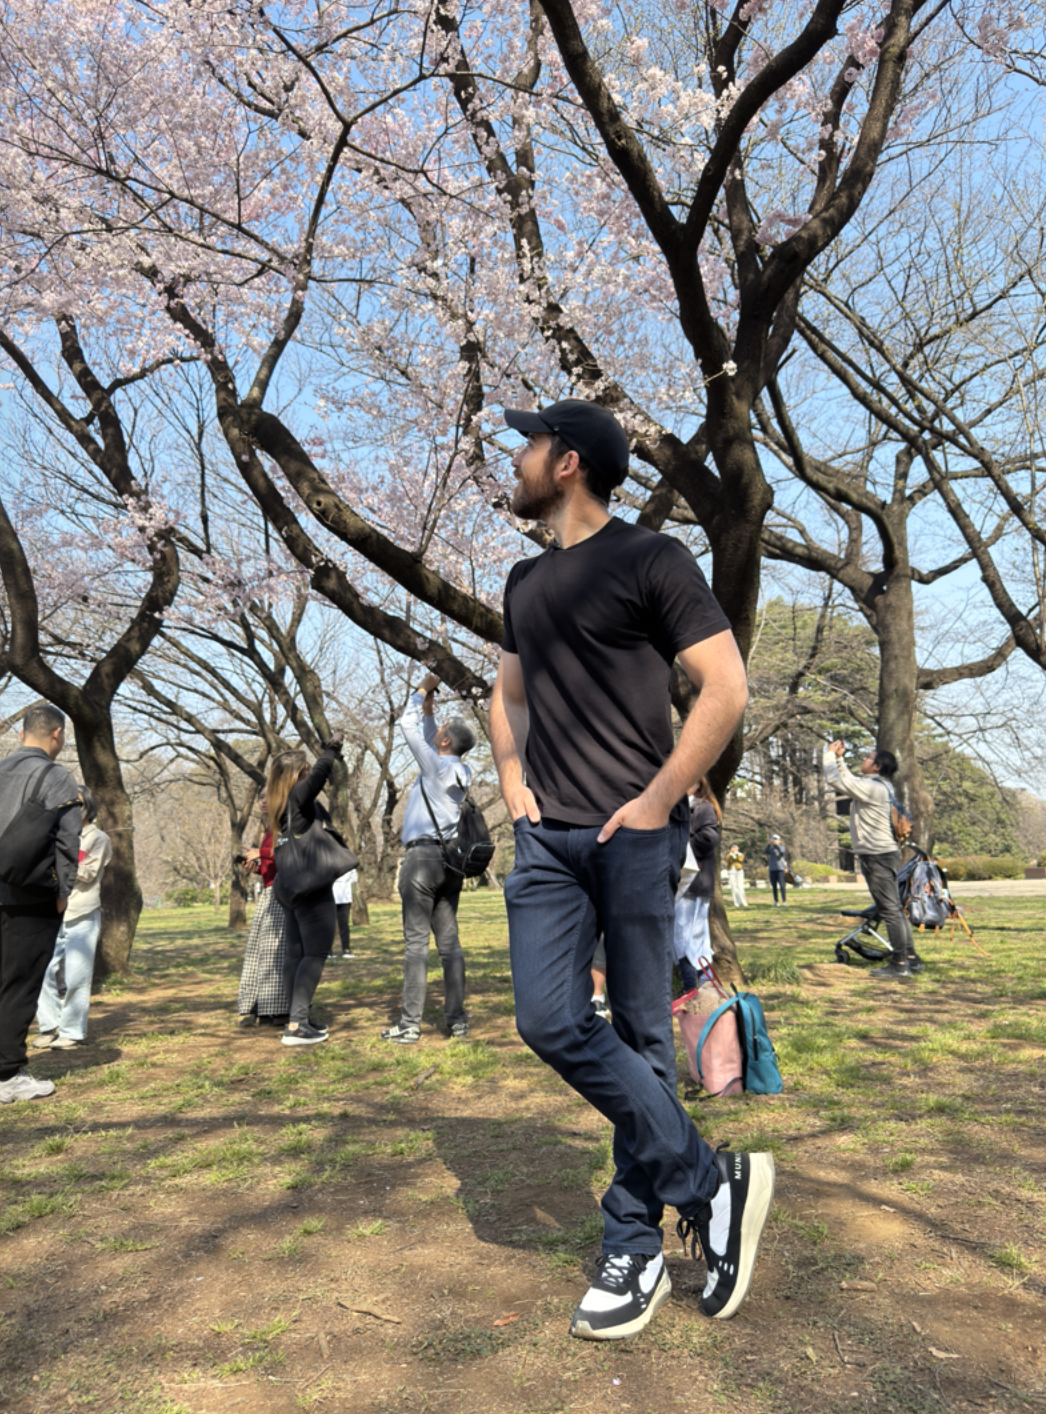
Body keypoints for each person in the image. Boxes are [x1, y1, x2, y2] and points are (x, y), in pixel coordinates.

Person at [491, 397, 774, 1341]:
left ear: (567, 463)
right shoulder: (524, 581)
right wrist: (508, 776)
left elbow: (725, 686)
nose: (518, 458)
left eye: (529, 445)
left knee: (645, 1035)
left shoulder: (652, 557)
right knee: (548, 1018)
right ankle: (708, 1180)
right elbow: (509, 692)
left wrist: (659, 800)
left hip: (635, 833)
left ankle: (635, 1244)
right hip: (548, 843)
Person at [381, 675, 474, 1045]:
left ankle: (409, 1024)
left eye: (442, 731)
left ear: (446, 741)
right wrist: (431, 710)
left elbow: (406, 725)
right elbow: (434, 736)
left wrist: (419, 691)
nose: (438, 732)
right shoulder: (459, 770)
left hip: (421, 860)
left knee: (416, 944)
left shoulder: (434, 768)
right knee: (449, 945)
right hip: (450, 863)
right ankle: (457, 1020)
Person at [0, 704, 81, 1103]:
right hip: (30, 896)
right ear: (57, 735)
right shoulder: (58, 778)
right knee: (21, 982)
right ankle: (8, 1074)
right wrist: (64, 892)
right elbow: (68, 843)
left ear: (19, 735)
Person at [267, 734, 346, 1046]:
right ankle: (297, 1026)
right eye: (306, 771)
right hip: (309, 886)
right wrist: (332, 749)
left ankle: (296, 1017)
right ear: (298, 775)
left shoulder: (280, 805)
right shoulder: (299, 797)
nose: (310, 775)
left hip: (287, 886)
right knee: (315, 953)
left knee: (296, 954)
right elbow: (319, 777)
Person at [824, 740, 917, 979]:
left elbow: (836, 780)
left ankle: (899, 963)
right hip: (882, 854)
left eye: (867, 758)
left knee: (890, 910)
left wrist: (828, 756)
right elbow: (850, 781)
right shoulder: (878, 786)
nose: (863, 759)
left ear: (876, 767)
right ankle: (910, 958)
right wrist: (839, 759)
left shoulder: (872, 788)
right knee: (894, 908)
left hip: (876, 856)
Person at [32, 785, 112, 1050]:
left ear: (88, 806)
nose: (70, 811)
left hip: (82, 914)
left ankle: (72, 1032)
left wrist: (58, 860)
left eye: (76, 805)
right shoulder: (52, 836)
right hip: (50, 913)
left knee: (77, 976)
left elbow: (88, 874)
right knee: (42, 971)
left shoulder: (97, 838)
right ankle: (49, 1026)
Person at [236, 790, 291, 1026]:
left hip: (282, 894)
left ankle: (279, 1009)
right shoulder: (269, 829)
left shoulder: (287, 824)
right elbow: (270, 868)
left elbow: (290, 853)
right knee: (260, 953)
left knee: (275, 954)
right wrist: (255, 868)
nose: (263, 801)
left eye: (269, 796)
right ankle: (261, 1006)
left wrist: (262, 852)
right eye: (260, 797)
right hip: (268, 892)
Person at [673, 778, 722, 994]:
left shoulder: (703, 807)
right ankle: (697, 986)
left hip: (694, 880)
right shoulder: (679, 806)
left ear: (699, 784)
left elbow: (710, 837)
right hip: (681, 880)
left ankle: (696, 986)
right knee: (683, 936)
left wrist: (681, 847)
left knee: (689, 936)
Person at [330, 869, 357, 960]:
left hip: (331, 897)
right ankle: (346, 950)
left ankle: (329, 951)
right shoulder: (350, 865)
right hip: (344, 898)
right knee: (344, 925)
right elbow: (354, 879)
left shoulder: (328, 861)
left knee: (330, 925)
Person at [765, 834, 788, 905]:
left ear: (779, 840)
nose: (774, 840)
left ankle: (784, 901)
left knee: (782, 885)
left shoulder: (782, 847)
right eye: (773, 839)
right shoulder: (771, 848)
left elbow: (782, 852)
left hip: (780, 869)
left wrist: (776, 845)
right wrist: (769, 844)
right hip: (772, 869)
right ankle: (776, 901)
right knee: (774, 886)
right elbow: (765, 851)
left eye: (776, 839)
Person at [726, 844, 747, 908]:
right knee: (733, 887)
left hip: (739, 872)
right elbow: (728, 860)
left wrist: (736, 854)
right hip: (731, 872)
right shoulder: (729, 854)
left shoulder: (740, 854)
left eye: (736, 847)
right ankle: (736, 902)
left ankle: (743, 901)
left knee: (740, 887)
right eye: (733, 847)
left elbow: (740, 860)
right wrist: (731, 854)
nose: (735, 848)